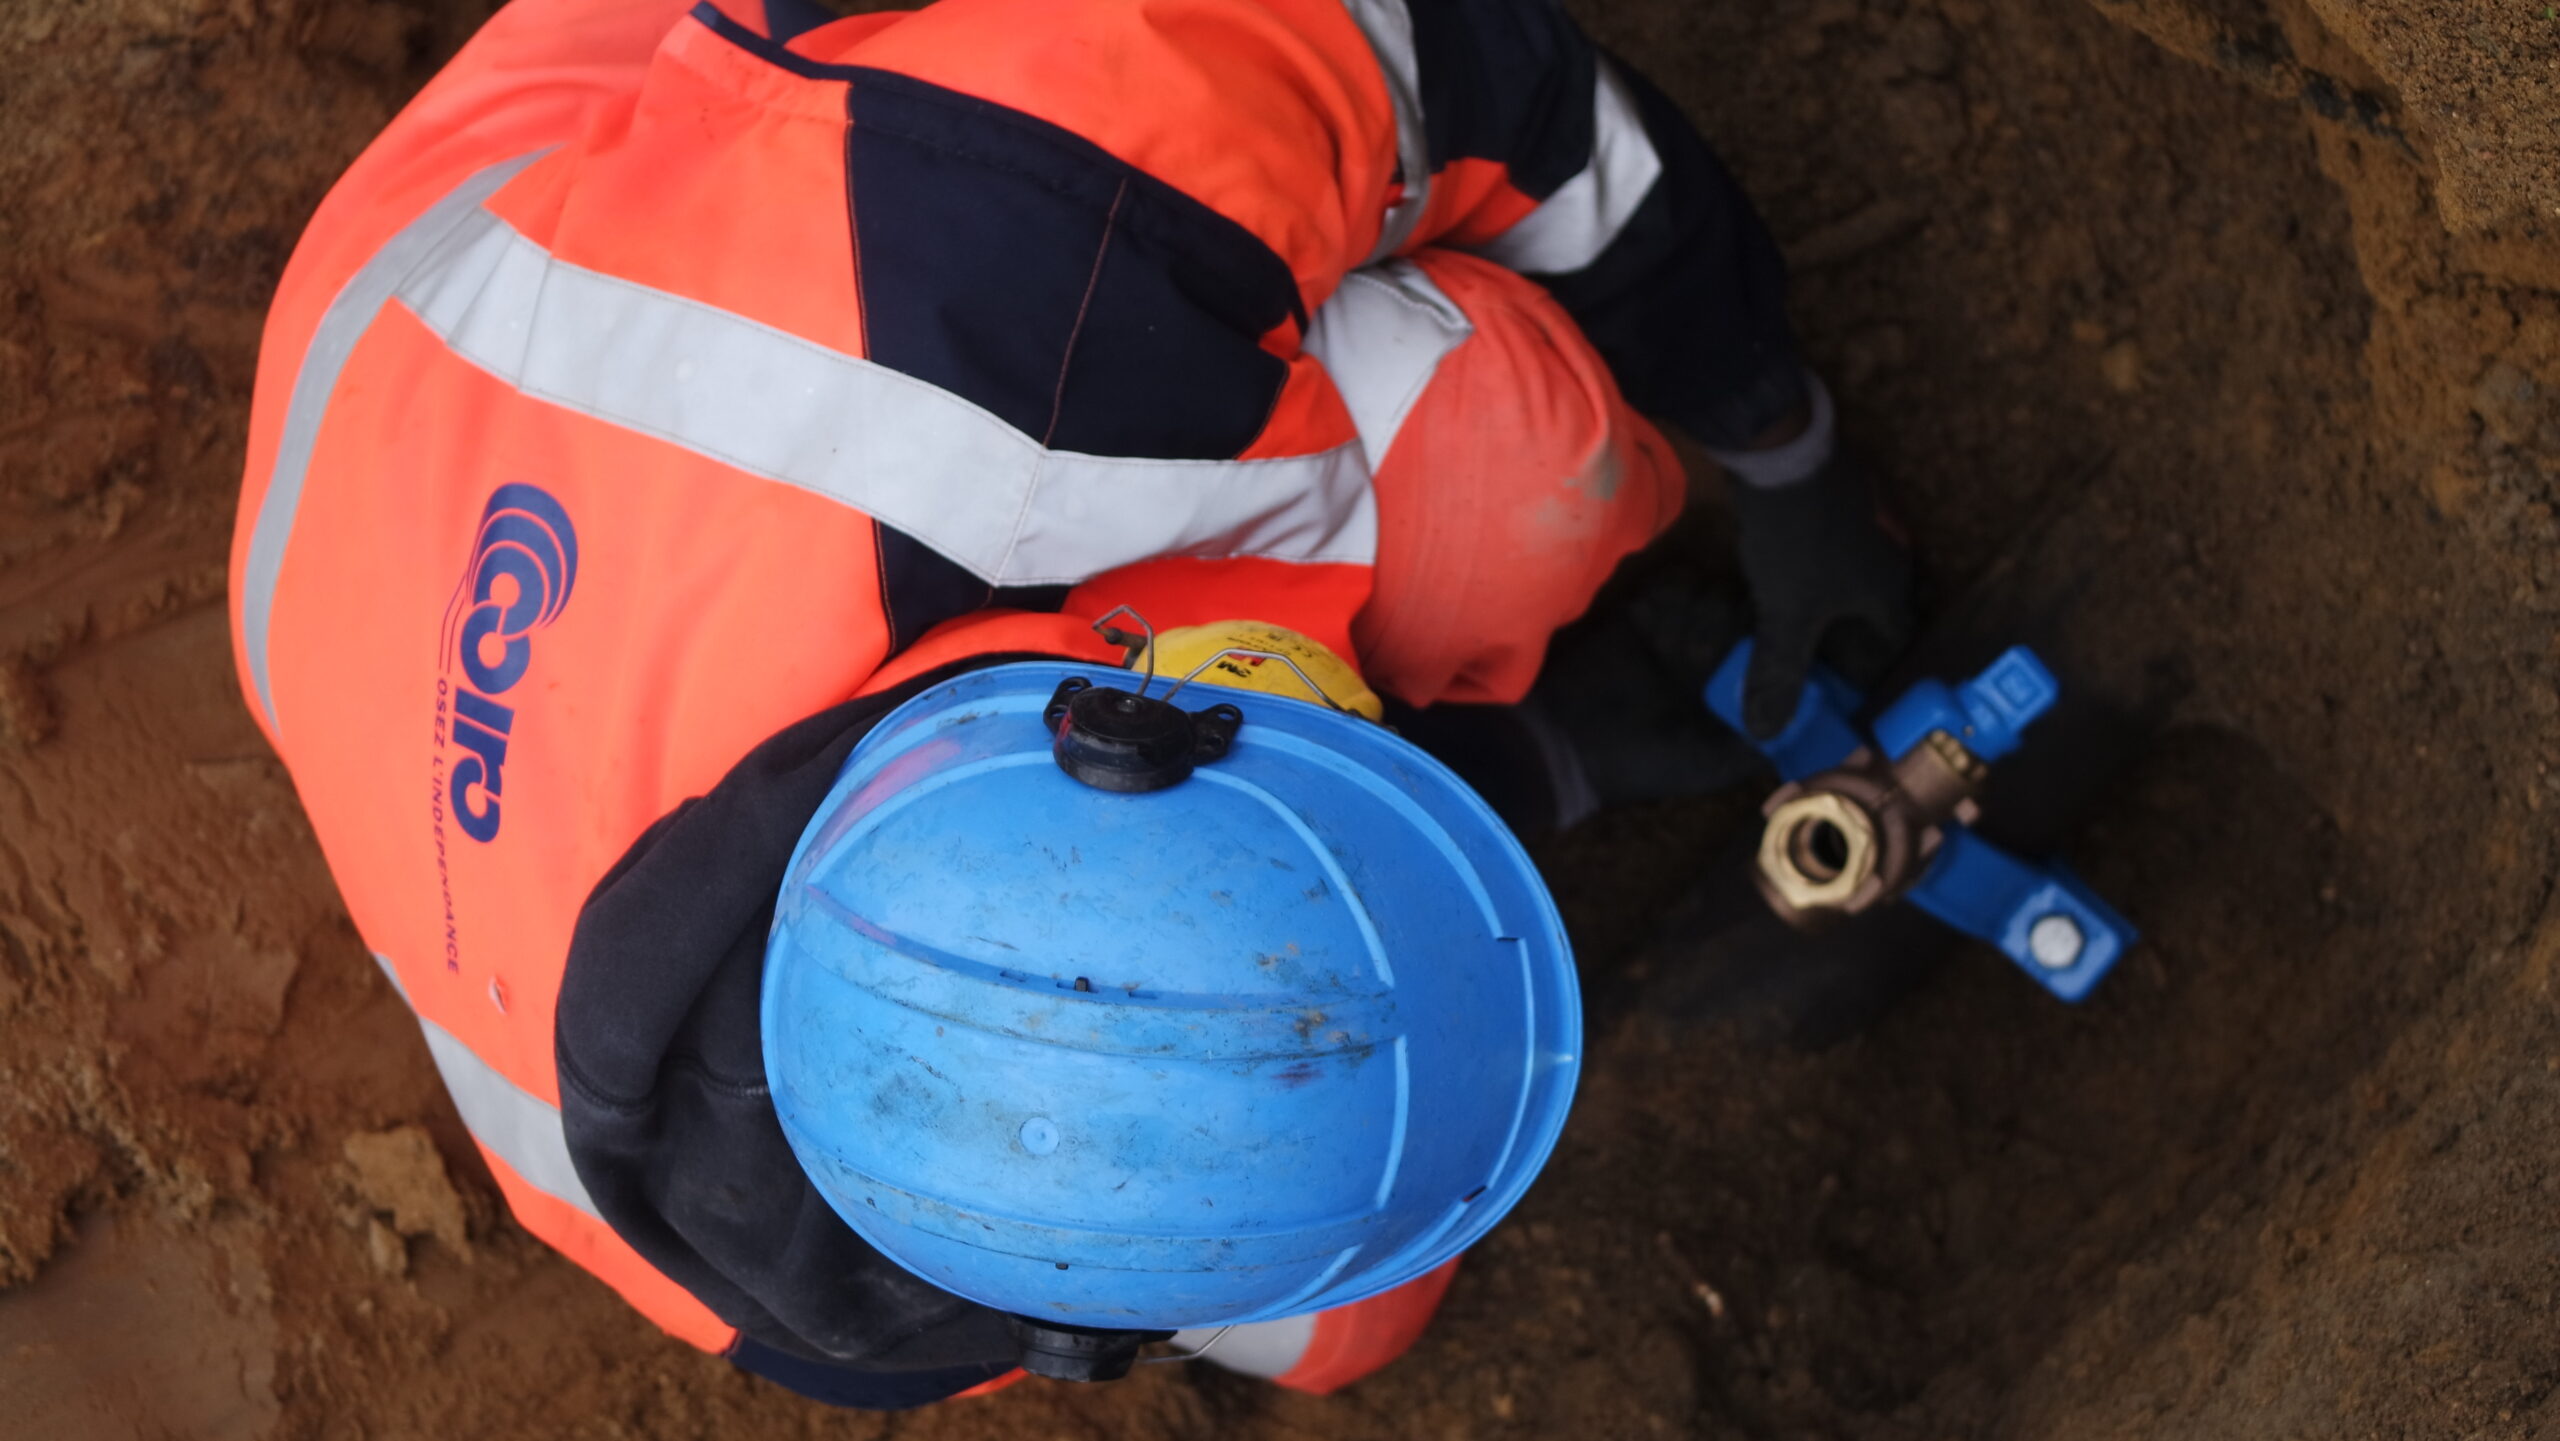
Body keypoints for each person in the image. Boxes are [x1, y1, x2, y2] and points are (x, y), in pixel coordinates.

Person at [227, 0, 1911, 1409]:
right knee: (1344, 1321)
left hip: (511, 217)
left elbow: (1465, 65)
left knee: (1517, 458)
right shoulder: (864, 1288)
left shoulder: (1002, 275)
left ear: (1102, 704)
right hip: (349, 549)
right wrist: (1529, 767)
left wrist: (1778, 442)